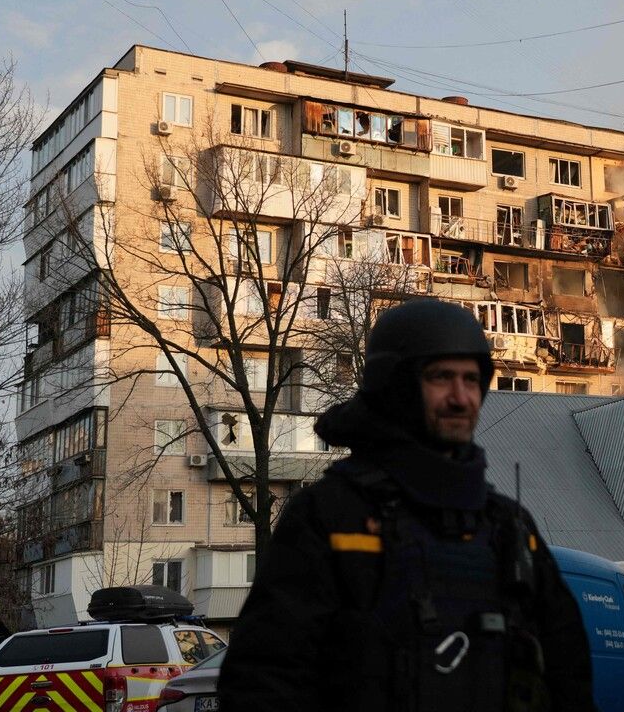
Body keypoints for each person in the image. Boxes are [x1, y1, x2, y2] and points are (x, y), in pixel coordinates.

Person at [219, 299, 594, 712]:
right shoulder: (331, 518)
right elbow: (263, 681)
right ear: (395, 385)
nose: (461, 397)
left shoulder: (509, 528)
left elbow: (569, 678)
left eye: (472, 380)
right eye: (441, 378)